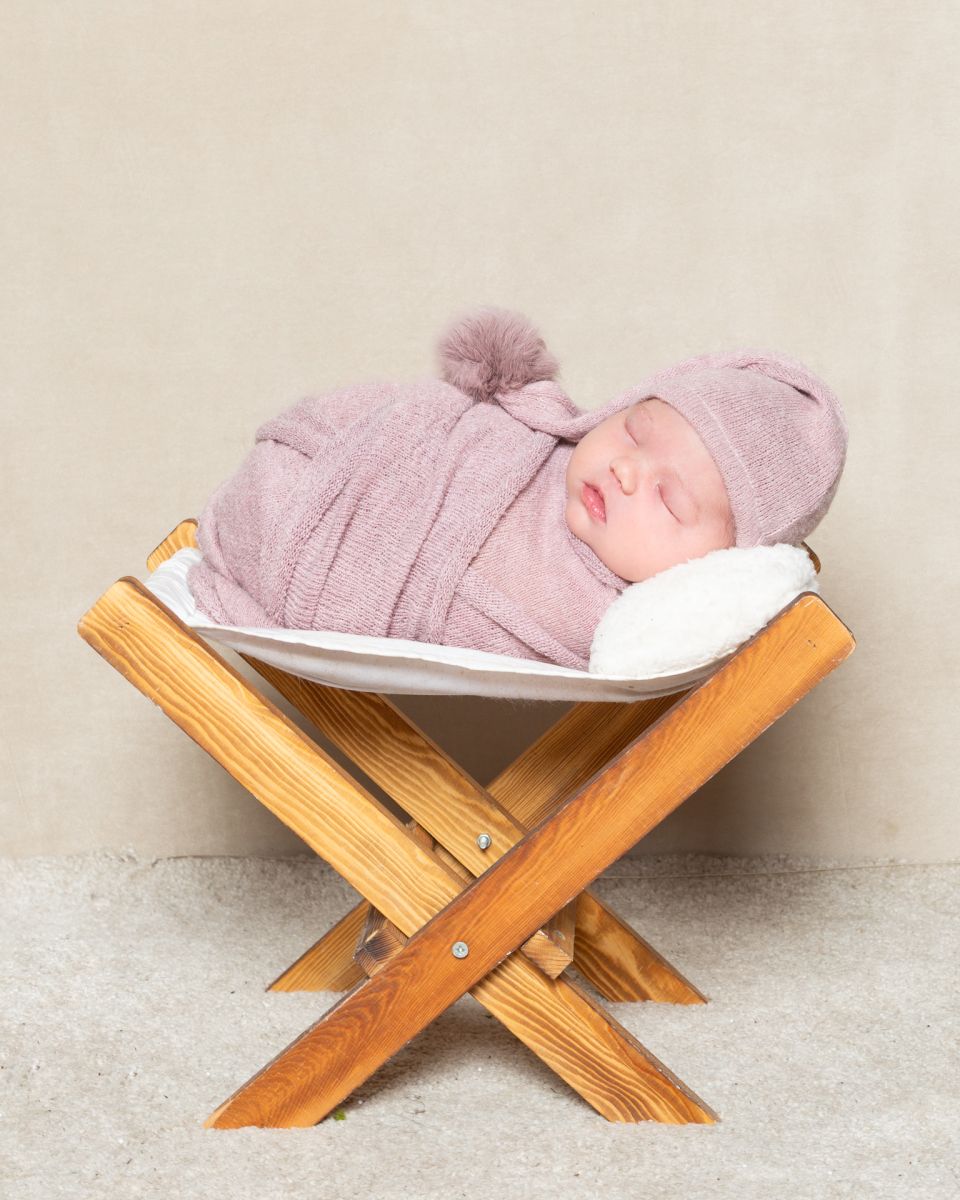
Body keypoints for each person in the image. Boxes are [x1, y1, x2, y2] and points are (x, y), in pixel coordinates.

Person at [187, 307, 848, 672]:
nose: (625, 471)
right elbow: (421, 429)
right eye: (633, 431)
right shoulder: (528, 439)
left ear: (717, 568)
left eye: (669, 500)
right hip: (330, 466)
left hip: (307, 542)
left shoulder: (619, 620)